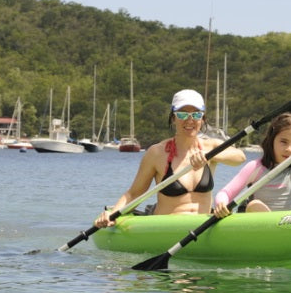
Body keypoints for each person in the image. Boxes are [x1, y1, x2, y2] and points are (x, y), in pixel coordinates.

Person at [93, 89, 245, 228]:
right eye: (182, 114)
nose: (190, 120)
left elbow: (240, 157)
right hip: (167, 227)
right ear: (173, 118)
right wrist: (113, 214)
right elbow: (134, 193)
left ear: (203, 119)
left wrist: (210, 156)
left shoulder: (211, 147)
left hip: (200, 225)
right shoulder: (156, 153)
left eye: (196, 114)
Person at [213, 112, 291, 218]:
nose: (289, 149)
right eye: (283, 142)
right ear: (272, 141)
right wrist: (221, 204)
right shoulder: (256, 167)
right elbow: (226, 192)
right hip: (263, 228)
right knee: (254, 205)